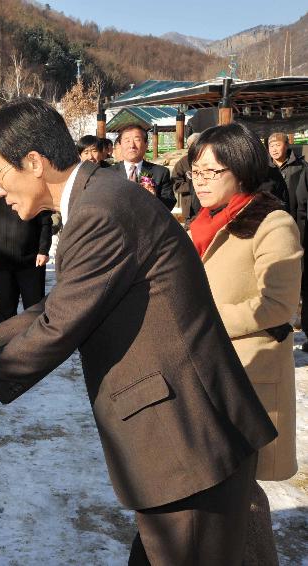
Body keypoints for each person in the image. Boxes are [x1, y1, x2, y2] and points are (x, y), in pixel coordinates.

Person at [0, 98, 277, 565]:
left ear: (34, 163)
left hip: (187, 442)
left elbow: (62, 322)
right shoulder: (98, 196)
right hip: (181, 441)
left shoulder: (99, 209)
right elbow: (70, 299)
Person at [188, 123, 301, 564]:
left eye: (212, 171)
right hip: (206, 371)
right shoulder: (201, 222)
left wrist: (202, 321)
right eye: (196, 170)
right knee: (219, 490)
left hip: (246, 378)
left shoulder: (272, 222)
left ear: (242, 170)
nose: (200, 180)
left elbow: (277, 305)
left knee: (240, 494)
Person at [0, 175, 52, 324]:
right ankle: (5, 346)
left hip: (31, 259)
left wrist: (43, 249)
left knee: (35, 310)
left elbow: (45, 220)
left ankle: (35, 345)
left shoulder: (33, 180)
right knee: (5, 310)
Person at [111, 124, 176, 210]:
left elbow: (170, 203)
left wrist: (154, 198)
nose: (132, 145)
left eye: (137, 140)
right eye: (127, 141)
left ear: (146, 145)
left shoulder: (161, 172)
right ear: (120, 145)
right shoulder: (108, 173)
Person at [171, 132, 201, 224]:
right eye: (192, 146)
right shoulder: (183, 162)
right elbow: (175, 183)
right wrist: (193, 186)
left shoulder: (211, 159)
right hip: (190, 208)